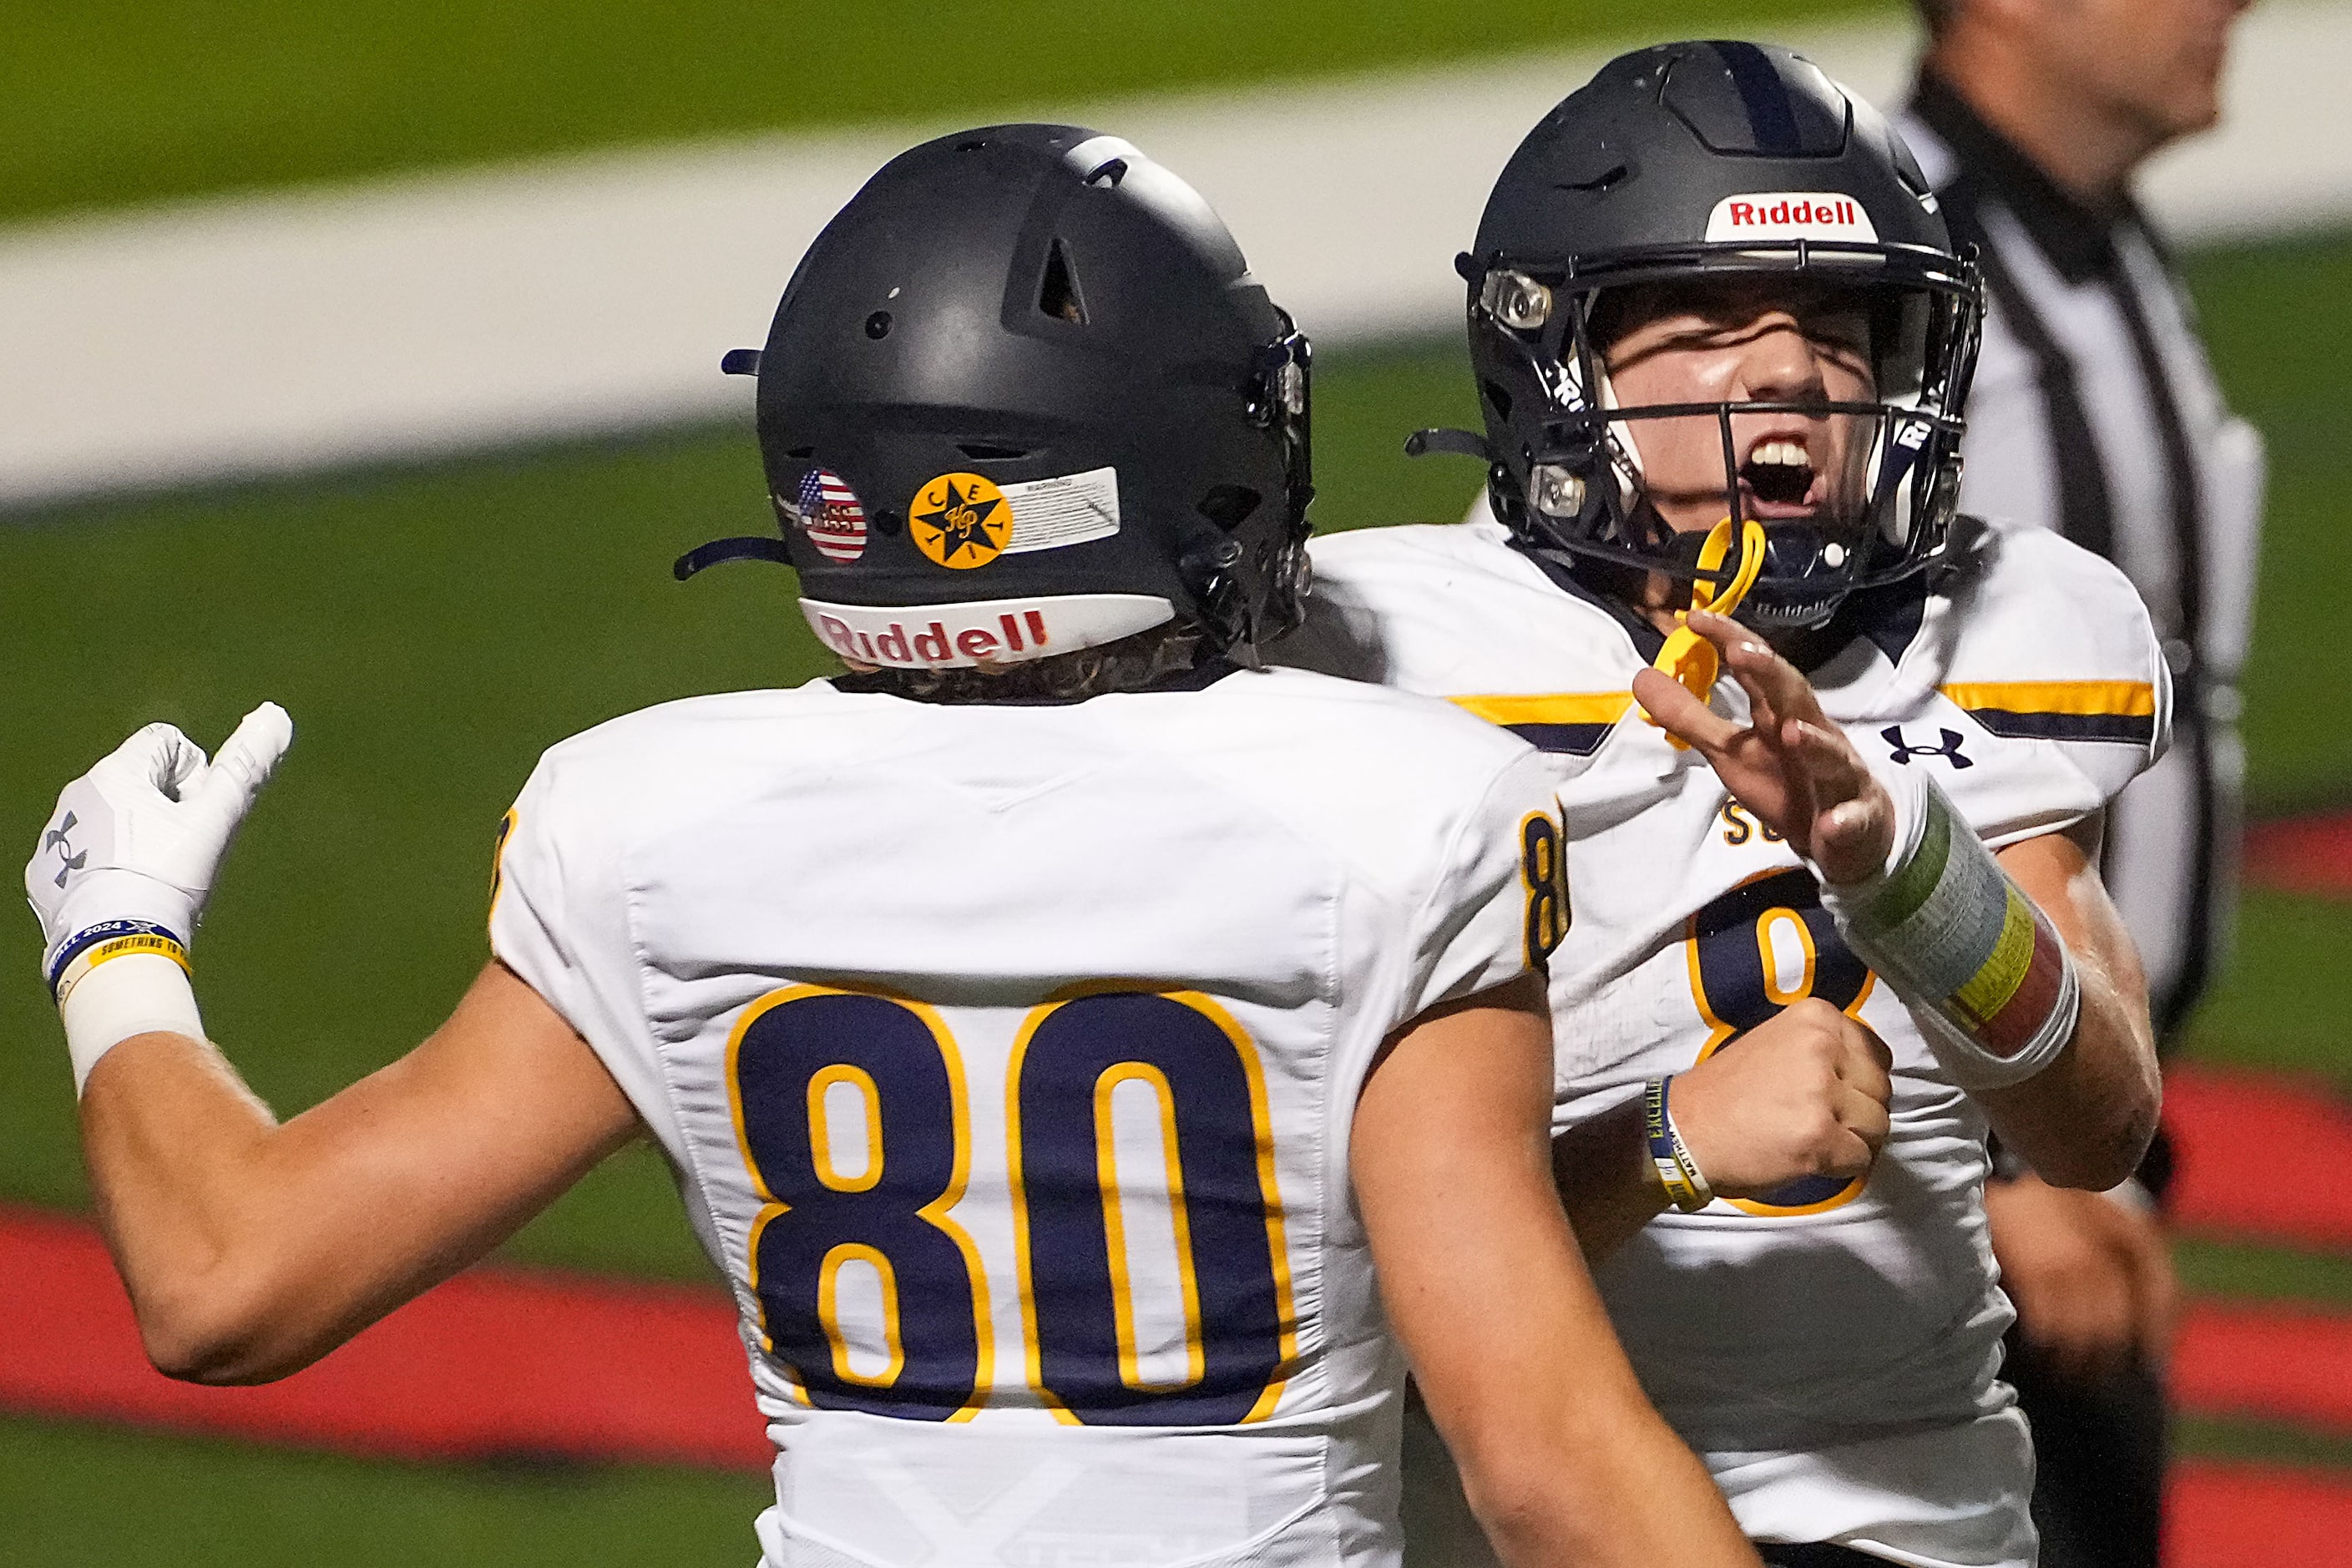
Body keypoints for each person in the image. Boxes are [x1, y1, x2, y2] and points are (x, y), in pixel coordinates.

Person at [23, 125, 1766, 1568]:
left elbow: (224, 1283)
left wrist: (118, 944)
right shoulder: (1393, 806)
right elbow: (1539, 1460)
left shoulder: (649, 824)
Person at [1282, 43, 2163, 1567]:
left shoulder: (2007, 626)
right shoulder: (1386, 662)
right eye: (1702, 324)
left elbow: (2098, 1122)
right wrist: (1665, 1143)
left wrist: (1900, 868)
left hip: (1917, 1505)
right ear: (1557, 363)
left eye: (1837, 327)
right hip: (1514, 1513)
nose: (1789, 375)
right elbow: (1313, 1272)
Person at [1896, 3, 2262, 1559]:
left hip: (2080, 1121)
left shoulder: (2088, 232)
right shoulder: (1895, 268)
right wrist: (1990, 1164)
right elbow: (1816, 725)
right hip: (1965, 1166)